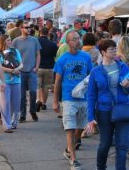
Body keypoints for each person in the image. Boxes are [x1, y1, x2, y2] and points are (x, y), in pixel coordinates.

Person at [85, 39, 129, 170]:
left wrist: (128, 86)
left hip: (122, 109)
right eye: (111, 49)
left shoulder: (123, 67)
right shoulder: (96, 71)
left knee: (122, 145)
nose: (115, 51)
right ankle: (101, 167)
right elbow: (91, 96)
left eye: (115, 49)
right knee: (105, 144)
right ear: (103, 52)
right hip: (104, 111)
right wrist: (90, 117)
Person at [53, 31, 93, 170]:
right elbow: (57, 81)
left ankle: (69, 150)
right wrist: (55, 101)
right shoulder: (62, 59)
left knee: (80, 129)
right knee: (70, 129)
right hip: (68, 98)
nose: (77, 41)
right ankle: (74, 159)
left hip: (84, 98)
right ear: (68, 42)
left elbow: (91, 78)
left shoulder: (86, 57)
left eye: (78, 38)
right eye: (74, 39)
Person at [12, 21, 41, 122]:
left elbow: (38, 54)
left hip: (32, 70)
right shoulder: (15, 41)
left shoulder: (34, 40)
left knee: (33, 92)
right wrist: (16, 68)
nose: (28, 29)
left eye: (29, 27)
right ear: (21, 29)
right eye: (26, 27)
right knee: (22, 95)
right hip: (21, 72)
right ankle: (22, 115)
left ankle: (32, 111)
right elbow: (13, 56)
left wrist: (37, 67)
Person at [0, 35, 23, 132]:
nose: (10, 41)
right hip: (4, 81)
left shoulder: (15, 51)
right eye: (8, 40)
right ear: (3, 41)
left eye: (10, 40)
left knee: (16, 103)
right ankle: (6, 125)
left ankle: (14, 122)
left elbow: (21, 64)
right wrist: (11, 70)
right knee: (5, 103)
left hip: (16, 80)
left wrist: (17, 69)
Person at [36, 27, 58, 111]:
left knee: (38, 85)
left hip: (38, 67)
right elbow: (56, 55)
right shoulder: (52, 44)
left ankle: (38, 100)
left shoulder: (36, 42)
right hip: (49, 67)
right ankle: (44, 103)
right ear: (48, 33)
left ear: (39, 33)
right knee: (46, 86)